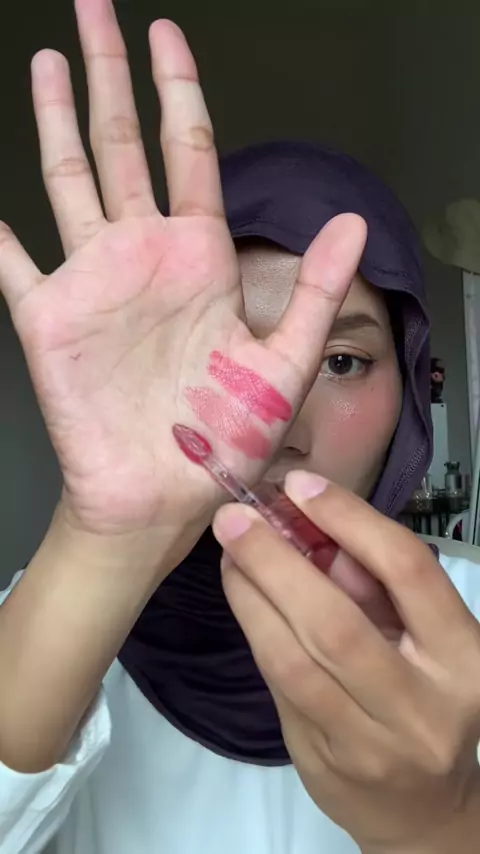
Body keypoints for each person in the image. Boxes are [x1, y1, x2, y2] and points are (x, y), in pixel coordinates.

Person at [0, 1, 479, 853]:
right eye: (234, 356)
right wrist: (104, 542)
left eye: (342, 362)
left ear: (411, 396)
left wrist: (444, 828)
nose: (275, 431)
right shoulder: (38, 628)